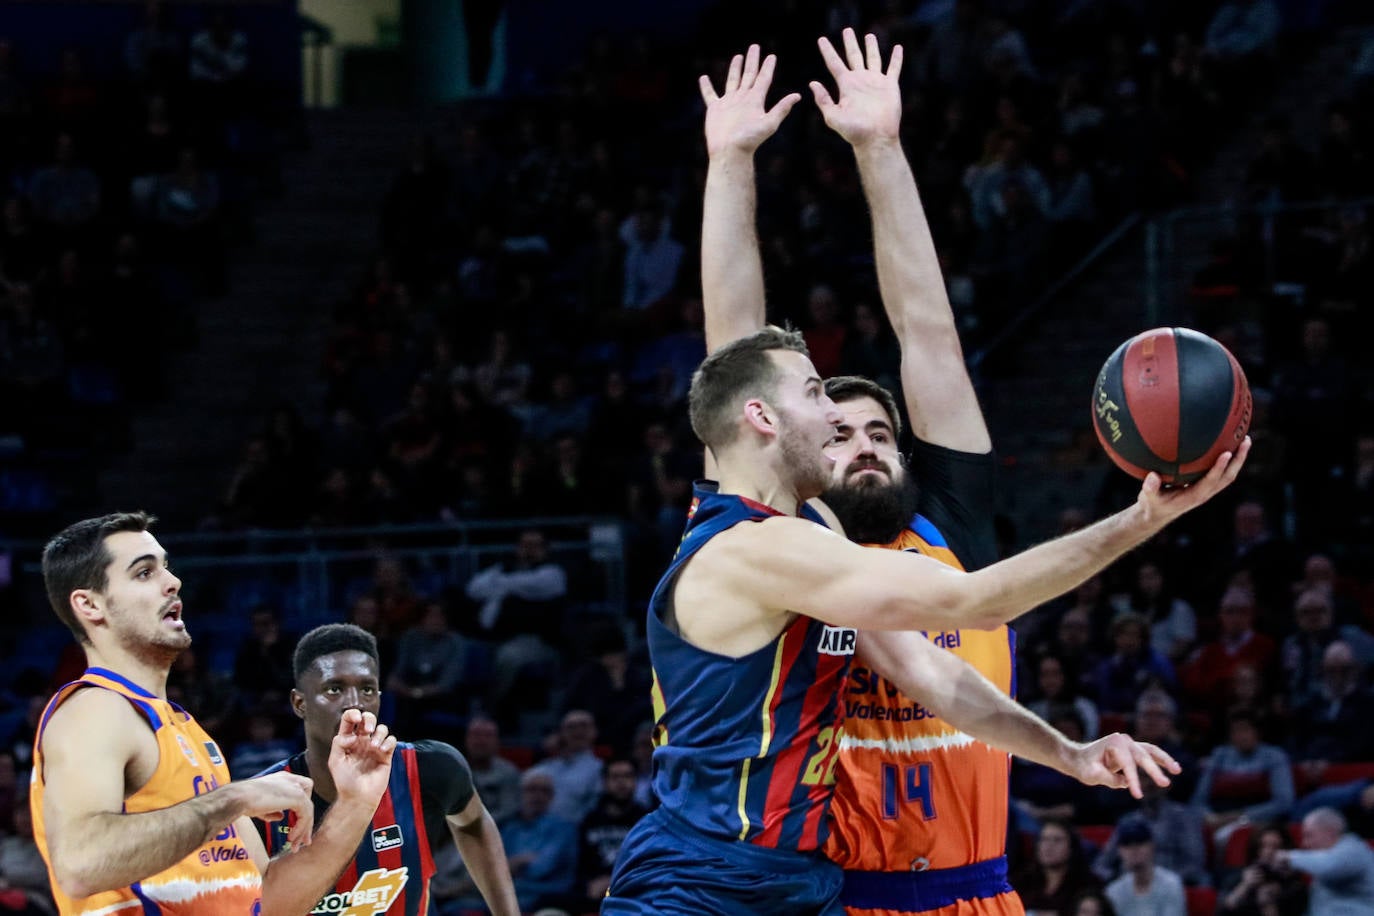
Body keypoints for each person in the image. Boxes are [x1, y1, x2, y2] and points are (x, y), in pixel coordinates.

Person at [605, 44, 1245, 916]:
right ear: (778, 431)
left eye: (877, 427)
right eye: (827, 408)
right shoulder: (769, 544)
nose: (845, 425)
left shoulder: (857, 540)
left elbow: (925, 337)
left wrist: (1066, 752)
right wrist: (728, 163)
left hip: (834, 885)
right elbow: (735, 355)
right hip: (741, 879)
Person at [31, 511, 397, 914]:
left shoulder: (188, 732)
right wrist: (235, 798)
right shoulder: (96, 709)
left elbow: (272, 900)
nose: (173, 582)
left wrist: (356, 804)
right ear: (90, 604)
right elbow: (81, 863)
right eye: (143, 573)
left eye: (165, 567)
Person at [258, 623, 519, 915]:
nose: (355, 704)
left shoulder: (429, 769)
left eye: (367, 689)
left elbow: (473, 824)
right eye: (335, 689)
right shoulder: (261, 801)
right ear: (299, 703)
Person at [1274, 807, 1374, 914]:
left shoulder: (1352, 850)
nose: (1305, 843)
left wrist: (1288, 856)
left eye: (1309, 835)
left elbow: (1328, 867)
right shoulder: (1326, 856)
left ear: (1329, 832)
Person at [1101, 817, 1186, 916]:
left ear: (1152, 846)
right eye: (1127, 844)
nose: (1134, 849)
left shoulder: (1171, 884)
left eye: (1139, 842)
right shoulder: (1113, 892)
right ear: (1120, 851)